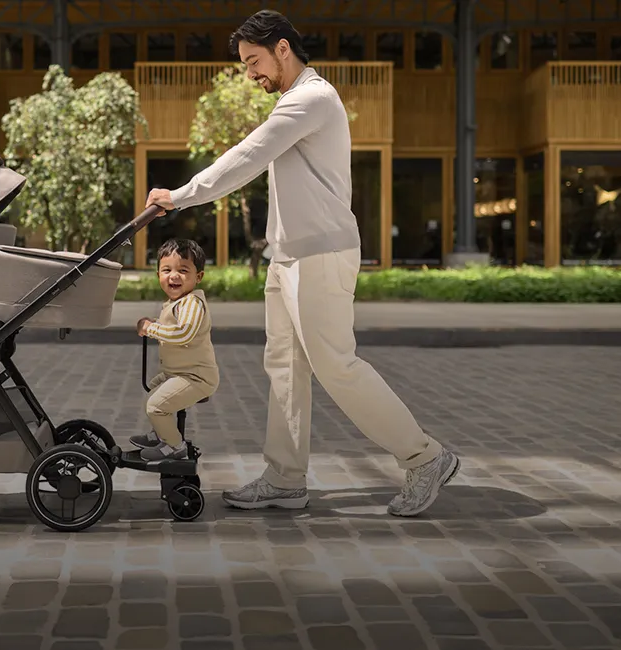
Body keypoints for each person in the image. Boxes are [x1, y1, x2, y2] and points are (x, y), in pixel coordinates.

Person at [143, 10, 460, 517]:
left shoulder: (312, 98)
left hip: (321, 255)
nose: (250, 74)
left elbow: (248, 155)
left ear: (283, 48)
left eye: (254, 61)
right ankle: (286, 479)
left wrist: (181, 196)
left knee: (336, 364)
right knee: (285, 369)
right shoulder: (294, 101)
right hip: (287, 257)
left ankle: (426, 456)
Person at [128, 238, 220, 462]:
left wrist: (152, 329)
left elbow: (183, 334)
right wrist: (155, 325)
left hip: (197, 377)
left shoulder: (192, 304)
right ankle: (162, 433)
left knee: (156, 405)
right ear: (158, 274)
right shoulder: (176, 303)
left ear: (198, 277)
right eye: (166, 270)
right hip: (179, 372)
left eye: (183, 270)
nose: (174, 275)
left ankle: (175, 446)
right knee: (153, 390)